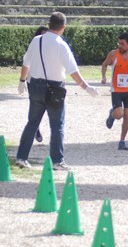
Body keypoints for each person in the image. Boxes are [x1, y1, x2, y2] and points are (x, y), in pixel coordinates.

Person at [16, 11, 99, 170]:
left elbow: (26, 62)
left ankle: (21, 157)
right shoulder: (61, 45)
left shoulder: (36, 40)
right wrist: (86, 87)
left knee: (32, 123)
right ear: (63, 27)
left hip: (36, 86)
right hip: (55, 88)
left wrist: (22, 81)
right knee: (57, 125)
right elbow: (73, 71)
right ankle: (57, 161)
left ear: (48, 25)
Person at [28, 25, 49, 144]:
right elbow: (27, 63)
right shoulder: (33, 47)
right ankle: (35, 128)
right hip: (33, 81)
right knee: (35, 107)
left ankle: (36, 126)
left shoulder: (52, 49)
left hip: (47, 82)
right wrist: (23, 80)